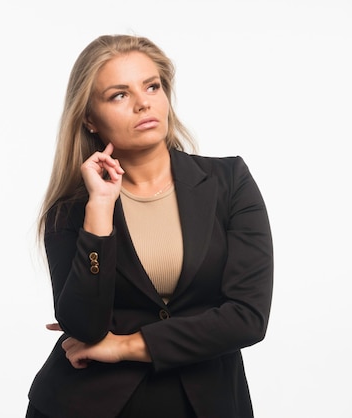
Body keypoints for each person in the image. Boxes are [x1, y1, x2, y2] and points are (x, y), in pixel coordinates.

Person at [26, 34, 273, 418]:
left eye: (152, 86)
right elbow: (83, 326)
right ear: (90, 117)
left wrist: (124, 345)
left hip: (207, 402)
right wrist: (100, 210)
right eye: (119, 95)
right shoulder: (72, 210)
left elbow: (247, 317)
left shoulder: (229, 181)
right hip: (89, 405)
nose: (144, 103)